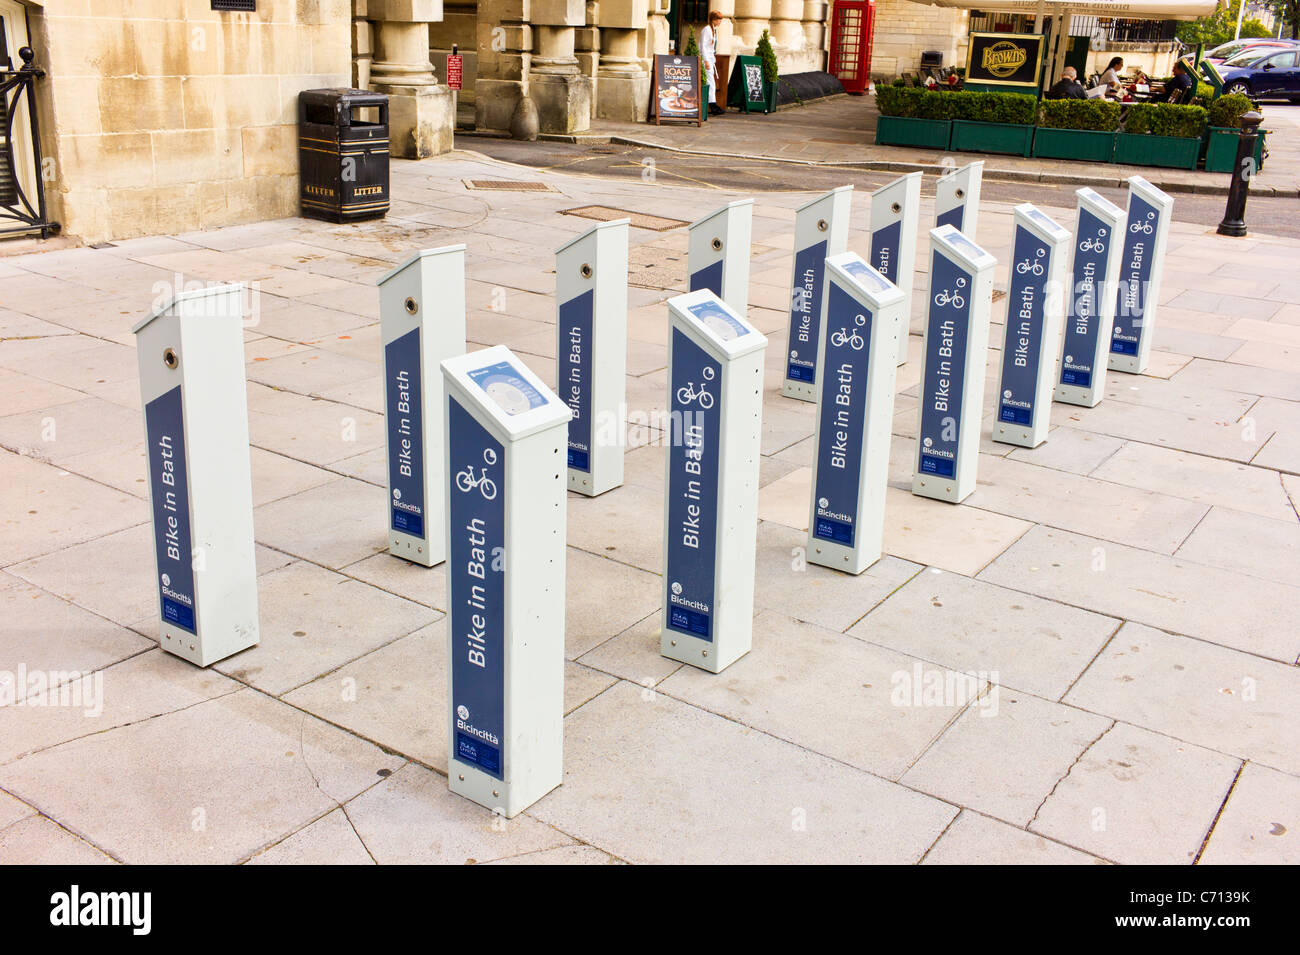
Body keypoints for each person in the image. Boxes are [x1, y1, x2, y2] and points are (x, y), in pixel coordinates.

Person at [701, 11, 725, 116]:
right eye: (718, 19)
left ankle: (713, 104)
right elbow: (703, 46)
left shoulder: (713, 30)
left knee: (711, 82)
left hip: (710, 59)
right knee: (710, 82)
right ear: (713, 19)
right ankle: (712, 105)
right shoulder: (707, 30)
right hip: (706, 60)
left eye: (720, 19)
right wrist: (706, 60)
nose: (720, 21)